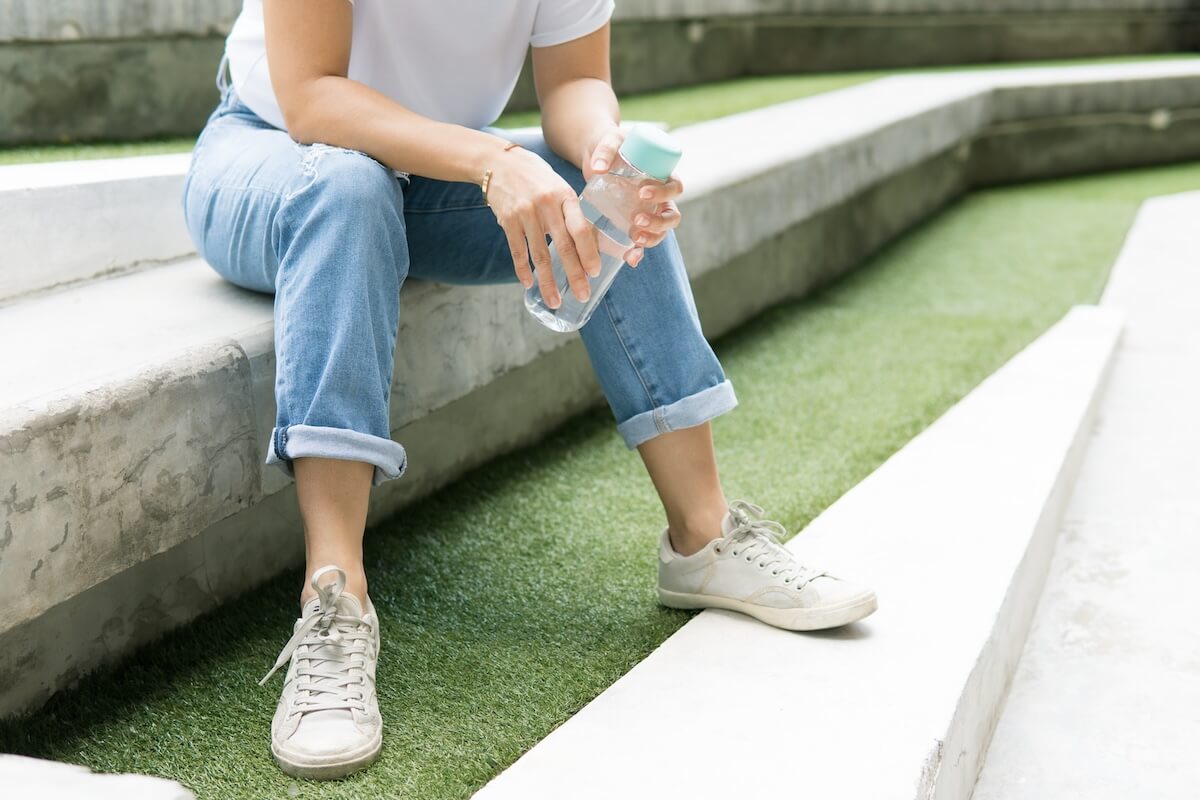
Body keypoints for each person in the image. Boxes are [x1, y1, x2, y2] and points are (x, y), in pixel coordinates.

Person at [182, 0, 878, 781]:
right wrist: (492, 160)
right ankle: (334, 601)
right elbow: (312, 98)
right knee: (349, 185)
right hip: (276, 160)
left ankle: (704, 539)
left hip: (426, 175)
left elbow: (577, 80)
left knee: (605, 192)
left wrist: (608, 155)